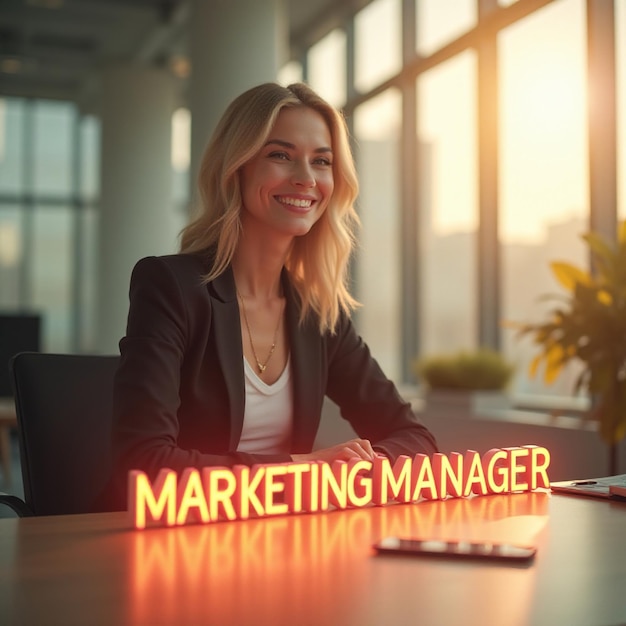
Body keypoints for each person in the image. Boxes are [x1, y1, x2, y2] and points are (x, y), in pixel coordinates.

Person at [108, 82, 437, 508]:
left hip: (279, 543)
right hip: (167, 544)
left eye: (321, 161)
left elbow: (415, 439)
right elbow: (144, 465)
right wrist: (304, 470)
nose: (305, 178)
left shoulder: (319, 312)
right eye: (280, 155)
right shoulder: (171, 287)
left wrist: (356, 470)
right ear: (237, 167)